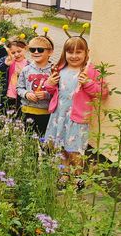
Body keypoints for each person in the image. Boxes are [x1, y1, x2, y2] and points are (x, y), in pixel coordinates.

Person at [44, 35, 107, 186]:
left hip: (76, 117)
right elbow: (53, 90)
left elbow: (103, 92)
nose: (74, 56)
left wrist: (88, 83)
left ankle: (79, 176)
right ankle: (64, 174)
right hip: (59, 115)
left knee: (75, 149)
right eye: (70, 52)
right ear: (64, 53)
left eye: (78, 52)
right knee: (60, 147)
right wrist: (49, 84)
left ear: (87, 52)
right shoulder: (59, 69)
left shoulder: (89, 71)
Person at [17, 36, 54, 136]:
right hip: (28, 110)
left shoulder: (53, 71)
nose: (36, 52)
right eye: (33, 50)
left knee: (44, 140)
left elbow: (58, 92)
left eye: (40, 50)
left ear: (50, 52)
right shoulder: (26, 70)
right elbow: (19, 88)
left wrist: (46, 95)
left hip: (45, 112)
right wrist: (26, 93)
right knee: (29, 140)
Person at [0, 37, 28, 114]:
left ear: (25, 49)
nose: (16, 54)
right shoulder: (6, 60)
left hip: (21, 97)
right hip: (6, 95)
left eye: (19, 51)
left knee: (18, 117)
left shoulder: (29, 65)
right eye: (13, 53)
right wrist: (5, 65)